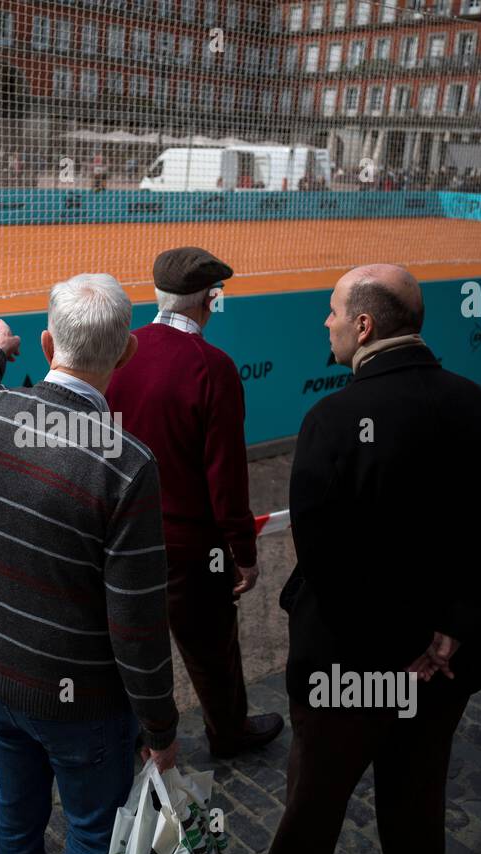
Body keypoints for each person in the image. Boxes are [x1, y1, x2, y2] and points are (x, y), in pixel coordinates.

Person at [266, 264, 481, 854]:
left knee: (309, 817)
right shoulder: (480, 407)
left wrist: (395, 652)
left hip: (346, 674)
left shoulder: (331, 421)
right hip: (441, 672)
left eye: (333, 310)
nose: (326, 321)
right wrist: (452, 632)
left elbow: (324, 561)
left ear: (363, 327)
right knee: (415, 817)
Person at [0, 275, 179, 854]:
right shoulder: (128, 465)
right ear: (126, 352)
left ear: (48, 346)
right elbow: (138, 620)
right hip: (85, 706)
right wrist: (160, 725)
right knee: (90, 833)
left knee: (17, 817)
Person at [107, 248, 284, 759]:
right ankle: (228, 732)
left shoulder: (121, 351)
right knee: (212, 652)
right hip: (190, 549)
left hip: (124, 539)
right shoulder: (214, 367)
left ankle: (140, 739)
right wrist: (244, 553)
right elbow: (225, 476)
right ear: (211, 299)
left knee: (131, 647)